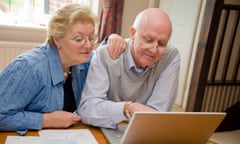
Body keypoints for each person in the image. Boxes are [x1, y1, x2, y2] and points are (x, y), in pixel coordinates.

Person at [0, 4, 125, 135]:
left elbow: (102, 55)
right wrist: (46, 120)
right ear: (57, 40)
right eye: (79, 39)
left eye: (91, 37)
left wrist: (112, 39)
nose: (88, 45)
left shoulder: (84, 62)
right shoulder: (28, 67)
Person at [78, 8, 181, 129]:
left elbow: (156, 115)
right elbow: (88, 109)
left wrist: (109, 112)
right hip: (109, 130)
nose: (154, 49)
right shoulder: (105, 55)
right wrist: (127, 108)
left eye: (162, 43)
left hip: (144, 131)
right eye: (148, 40)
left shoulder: (170, 57)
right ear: (132, 33)